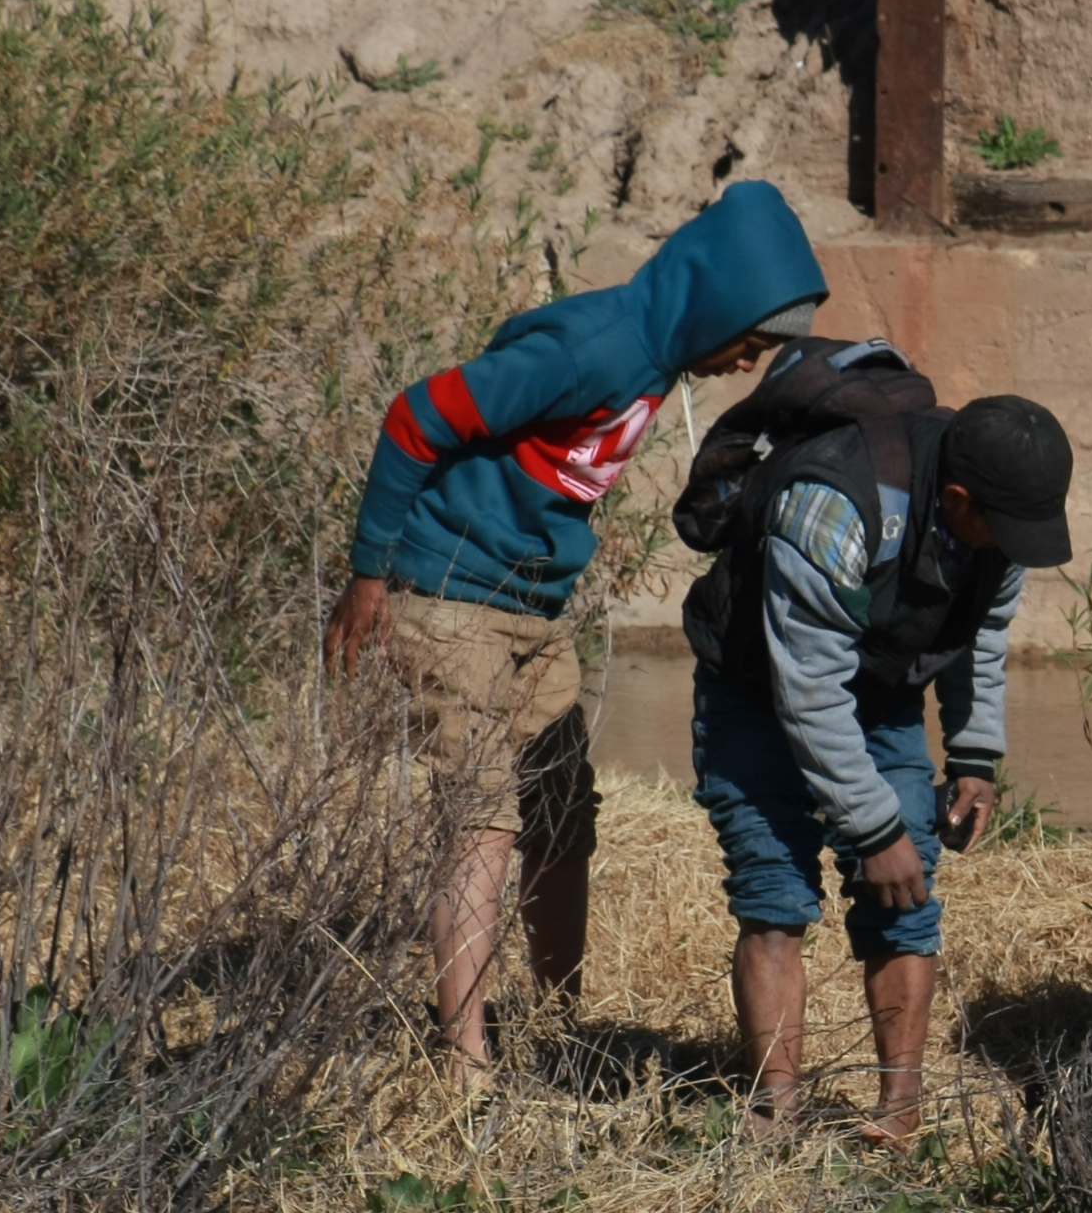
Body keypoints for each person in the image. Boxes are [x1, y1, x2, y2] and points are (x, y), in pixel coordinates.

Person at [324, 181, 829, 1080]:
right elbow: (417, 416)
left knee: (561, 819)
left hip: (529, 611)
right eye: (749, 342)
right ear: (711, 306)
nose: (747, 364)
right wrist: (370, 572)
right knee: (482, 821)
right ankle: (465, 1069)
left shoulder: (656, 360)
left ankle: (555, 1034)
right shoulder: (592, 347)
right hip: (449, 594)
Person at [679, 344, 1074, 1140]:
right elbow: (807, 690)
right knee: (774, 894)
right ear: (959, 500)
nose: (1017, 549)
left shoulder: (1001, 525)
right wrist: (874, 826)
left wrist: (973, 755)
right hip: (759, 687)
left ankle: (899, 1114)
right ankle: (775, 1114)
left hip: (883, 690)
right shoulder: (837, 503)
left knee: (907, 894)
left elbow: (983, 635)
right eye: (1006, 531)